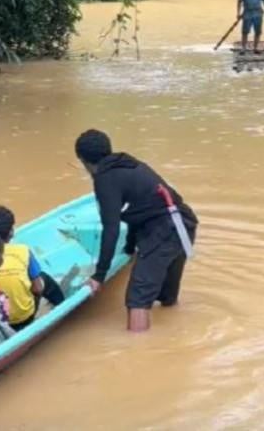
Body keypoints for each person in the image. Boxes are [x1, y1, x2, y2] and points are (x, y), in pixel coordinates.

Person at [75, 129, 198, 332]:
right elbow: (138, 208)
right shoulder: (130, 164)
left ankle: (138, 351)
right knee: (167, 298)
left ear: (84, 161)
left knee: (137, 300)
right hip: (184, 224)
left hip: (164, 232)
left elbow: (111, 228)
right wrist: (130, 247)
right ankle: (174, 335)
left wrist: (99, 275)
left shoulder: (104, 180)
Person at [0, 206, 67, 330]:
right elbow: (38, 289)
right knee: (44, 279)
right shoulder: (22, 251)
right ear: (11, 232)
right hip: (23, 319)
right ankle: (63, 306)